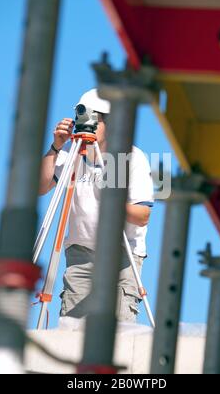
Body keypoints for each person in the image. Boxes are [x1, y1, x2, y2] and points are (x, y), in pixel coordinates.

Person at [39, 89, 154, 322]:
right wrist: (55, 147)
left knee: (118, 332)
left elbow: (143, 216)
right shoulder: (71, 152)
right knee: (72, 331)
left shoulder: (132, 157)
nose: (86, 124)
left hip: (122, 256)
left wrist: (112, 200)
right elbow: (39, 187)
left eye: (93, 118)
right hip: (80, 255)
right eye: (82, 116)